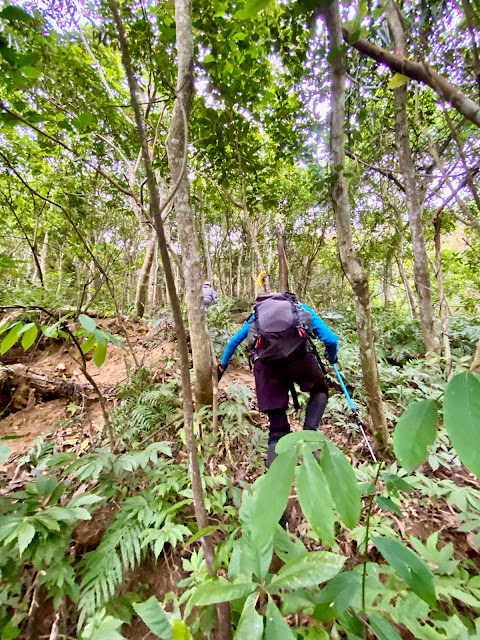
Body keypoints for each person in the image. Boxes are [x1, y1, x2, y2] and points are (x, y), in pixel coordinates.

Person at [217, 292, 338, 467]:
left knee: (276, 424)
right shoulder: (300, 308)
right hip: (298, 360)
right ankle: (308, 439)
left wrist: (223, 364)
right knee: (319, 391)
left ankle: (276, 473)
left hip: (266, 367)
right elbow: (330, 339)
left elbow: (233, 342)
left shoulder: (256, 316)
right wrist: (332, 357)